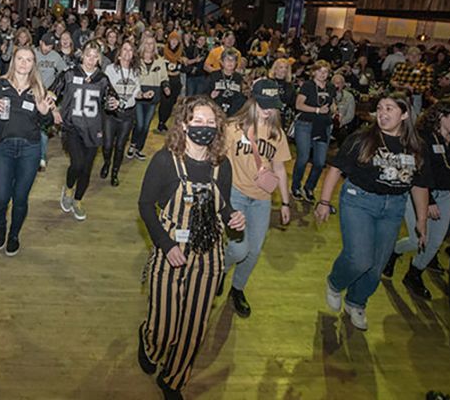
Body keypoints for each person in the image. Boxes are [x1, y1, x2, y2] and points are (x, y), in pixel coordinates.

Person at [137, 96, 245, 400]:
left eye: (211, 122)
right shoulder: (164, 161)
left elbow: (223, 205)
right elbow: (145, 205)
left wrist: (233, 217)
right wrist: (165, 244)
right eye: (198, 121)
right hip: (170, 250)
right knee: (165, 326)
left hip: (209, 255)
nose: (204, 127)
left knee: (194, 327)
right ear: (184, 125)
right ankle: (149, 341)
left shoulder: (222, 166)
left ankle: (173, 380)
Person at [315, 93, 430, 330]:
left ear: (404, 114)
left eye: (389, 108)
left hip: (394, 207)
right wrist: (324, 202)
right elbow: (336, 169)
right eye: (379, 108)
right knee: (359, 259)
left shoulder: (416, 147)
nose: (382, 113)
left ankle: (356, 302)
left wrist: (421, 219)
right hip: (359, 201)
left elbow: (419, 184)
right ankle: (335, 283)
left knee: (377, 265)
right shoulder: (362, 139)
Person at [220, 80, 293, 318]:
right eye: (264, 104)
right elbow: (218, 159)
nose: (268, 110)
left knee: (254, 251)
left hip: (262, 199)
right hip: (236, 194)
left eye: (273, 105)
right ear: (253, 101)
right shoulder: (233, 128)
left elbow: (279, 168)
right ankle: (220, 269)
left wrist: (285, 202)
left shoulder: (276, 133)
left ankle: (237, 288)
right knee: (239, 249)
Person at [0, 46, 54, 255]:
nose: (24, 63)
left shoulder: (38, 88)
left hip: (30, 150)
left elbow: (47, 124)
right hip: (4, 148)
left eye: (28, 60)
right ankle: (2, 224)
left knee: (20, 198)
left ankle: (14, 234)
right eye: (20, 58)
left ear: (33, 64)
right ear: (13, 61)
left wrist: (45, 113)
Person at [383, 98, 450, 299]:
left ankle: (414, 273)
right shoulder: (423, 138)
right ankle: (395, 252)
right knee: (417, 240)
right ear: (442, 116)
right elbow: (418, 172)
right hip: (419, 193)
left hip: (445, 195)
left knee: (435, 242)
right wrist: (429, 200)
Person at [51, 41, 116, 221]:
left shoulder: (102, 79)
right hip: (72, 126)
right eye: (88, 55)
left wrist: (113, 102)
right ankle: (68, 188)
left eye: (95, 56)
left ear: (99, 58)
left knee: (86, 169)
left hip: (93, 129)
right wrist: (53, 109)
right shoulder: (69, 74)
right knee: (77, 164)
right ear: (82, 55)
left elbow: (111, 97)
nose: (91, 60)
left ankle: (78, 200)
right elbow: (52, 92)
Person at [291, 60, 336, 204]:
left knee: (320, 162)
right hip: (305, 124)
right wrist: (317, 110)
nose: (323, 74)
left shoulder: (330, 87)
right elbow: (299, 105)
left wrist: (335, 110)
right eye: (320, 71)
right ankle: (295, 186)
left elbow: (332, 103)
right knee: (303, 158)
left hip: (323, 125)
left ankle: (309, 187)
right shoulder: (308, 85)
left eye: (326, 72)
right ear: (314, 72)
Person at [101, 41, 141, 187]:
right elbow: (105, 88)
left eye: (130, 50)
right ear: (119, 53)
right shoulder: (110, 69)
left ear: (133, 54)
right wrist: (112, 100)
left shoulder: (136, 71)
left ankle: (115, 173)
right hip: (111, 113)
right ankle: (107, 162)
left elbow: (136, 91)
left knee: (120, 146)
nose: (127, 52)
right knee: (107, 145)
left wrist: (142, 95)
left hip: (127, 114)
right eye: (125, 49)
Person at [129, 32, 169, 160]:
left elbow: (164, 77)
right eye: (147, 43)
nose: (149, 46)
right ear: (143, 44)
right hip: (139, 95)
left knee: (146, 126)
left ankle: (139, 148)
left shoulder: (159, 60)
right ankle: (132, 144)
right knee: (139, 124)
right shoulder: (136, 60)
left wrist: (166, 87)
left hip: (153, 96)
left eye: (152, 44)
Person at [35, 33, 66, 170]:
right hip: (33, 94)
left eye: (51, 46)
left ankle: (41, 157)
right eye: (46, 45)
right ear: (40, 42)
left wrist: (56, 90)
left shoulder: (56, 56)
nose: (48, 48)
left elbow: (64, 73)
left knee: (43, 127)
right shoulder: (33, 54)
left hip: (48, 96)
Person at [390, 46, 433, 118]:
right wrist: (404, 86)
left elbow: (428, 85)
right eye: (411, 55)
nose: (413, 57)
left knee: (414, 117)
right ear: (407, 56)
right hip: (399, 94)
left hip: (415, 96)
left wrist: (413, 88)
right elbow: (393, 80)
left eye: (416, 55)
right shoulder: (400, 66)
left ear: (420, 57)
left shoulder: (426, 69)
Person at [157, 31, 184, 132]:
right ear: (169, 40)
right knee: (165, 102)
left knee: (172, 102)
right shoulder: (163, 51)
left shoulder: (182, 52)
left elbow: (185, 67)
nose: (174, 42)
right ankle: (161, 122)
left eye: (176, 40)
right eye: (172, 39)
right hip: (165, 80)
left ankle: (164, 121)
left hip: (176, 81)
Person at [206, 48, 245, 117]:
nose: (230, 62)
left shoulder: (239, 78)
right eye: (227, 59)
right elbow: (204, 94)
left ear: (236, 63)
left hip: (234, 112)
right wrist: (210, 96)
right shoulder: (214, 76)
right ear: (222, 62)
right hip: (216, 112)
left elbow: (243, 96)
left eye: (233, 60)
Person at [268, 58, 295, 129]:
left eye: (286, 67)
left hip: (284, 117)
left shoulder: (290, 84)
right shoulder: (268, 82)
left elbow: (292, 101)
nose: (284, 70)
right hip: (270, 116)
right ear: (275, 69)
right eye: (281, 67)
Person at [184, 32, 209, 97]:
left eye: (204, 40)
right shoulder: (191, 49)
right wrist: (195, 60)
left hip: (202, 76)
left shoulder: (206, 51)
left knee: (198, 96)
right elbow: (186, 62)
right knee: (190, 96)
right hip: (191, 76)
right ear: (197, 40)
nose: (202, 41)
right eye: (200, 39)